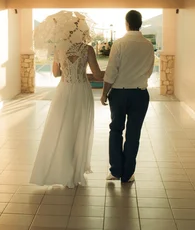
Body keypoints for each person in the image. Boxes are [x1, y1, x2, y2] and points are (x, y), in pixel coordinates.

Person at [30, 15, 104, 188]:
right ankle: (75, 171)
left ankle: (63, 169)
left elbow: (56, 74)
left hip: (64, 91)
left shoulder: (58, 49)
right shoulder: (87, 49)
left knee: (62, 128)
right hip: (81, 90)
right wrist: (114, 74)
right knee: (79, 128)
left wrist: (70, 72)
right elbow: (98, 75)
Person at [100, 10, 155, 183]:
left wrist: (104, 93)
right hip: (140, 94)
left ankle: (115, 170)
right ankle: (128, 174)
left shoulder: (120, 43)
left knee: (116, 130)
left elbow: (111, 71)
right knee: (133, 134)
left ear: (126, 23)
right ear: (140, 23)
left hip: (119, 93)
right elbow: (149, 70)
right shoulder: (148, 45)